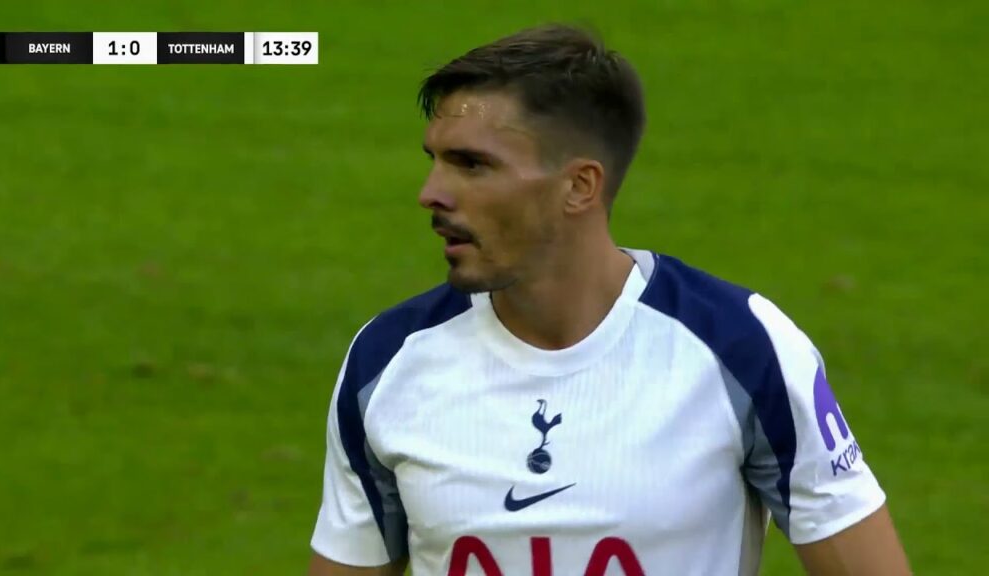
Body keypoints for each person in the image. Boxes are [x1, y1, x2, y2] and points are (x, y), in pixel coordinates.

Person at [308, 24, 910, 576]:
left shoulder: (742, 347)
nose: (431, 193)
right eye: (435, 160)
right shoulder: (388, 362)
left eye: (472, 165)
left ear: (579, 186)